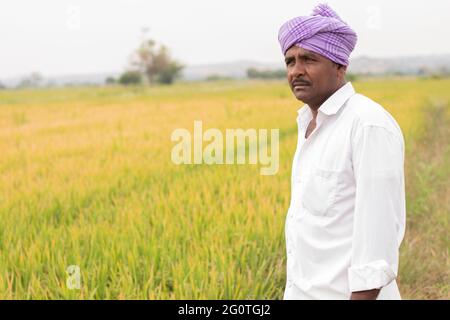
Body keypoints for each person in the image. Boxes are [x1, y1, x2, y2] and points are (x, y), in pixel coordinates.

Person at [278, 3, 406, 300]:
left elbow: (377, 243)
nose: (296, 71)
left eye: (309, 59)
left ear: (340, 65)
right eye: (290, 61)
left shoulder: (367, 125)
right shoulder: (308, 123)